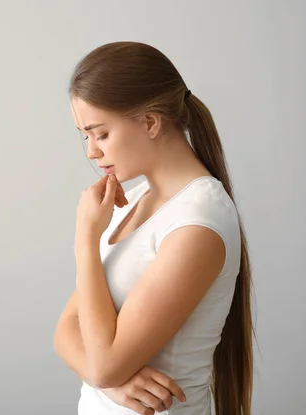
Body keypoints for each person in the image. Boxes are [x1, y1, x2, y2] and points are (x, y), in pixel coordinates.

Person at [53, 41, 254, 415]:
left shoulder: (198, 222)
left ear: (149, 122)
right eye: (85, 136)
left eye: (101, 133)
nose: (91, 152)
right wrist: (115, 387)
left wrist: (85, 239)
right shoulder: (137, 199)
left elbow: (104, 365)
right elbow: (66, 329)